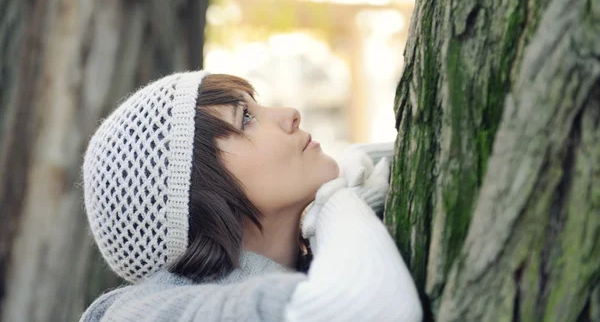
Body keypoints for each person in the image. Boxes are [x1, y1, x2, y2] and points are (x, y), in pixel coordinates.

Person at [79, 70, 422, 322]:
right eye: (245, 119)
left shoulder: (300, 266)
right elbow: (372, 308)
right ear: (197, 192)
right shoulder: (148, 313)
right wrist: (337, 202)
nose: (289, 114)